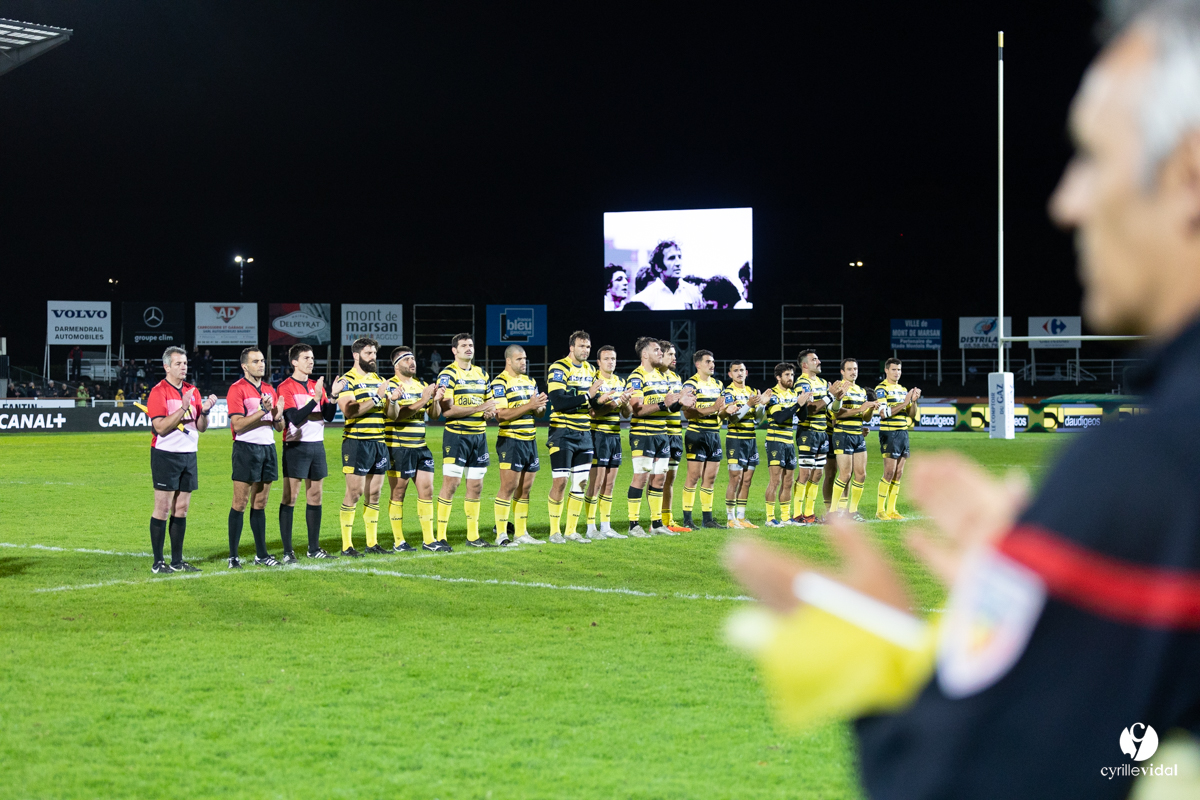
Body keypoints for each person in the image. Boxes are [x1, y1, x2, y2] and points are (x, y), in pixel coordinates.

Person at [728, 8, 1200, 796]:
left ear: (1187, 174)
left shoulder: (1157, 470)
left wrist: (877, 656)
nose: (1067, 203)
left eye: (1090, 157)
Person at [146, 346, 217, 574]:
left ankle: (177, 561)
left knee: (182, 508)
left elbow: (200, 428)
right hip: (165, 455)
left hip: (189, 455)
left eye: (185, 363)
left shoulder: (193, 391)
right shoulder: (159, 392)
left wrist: (204, 412)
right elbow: (160, 428)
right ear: (167, 366)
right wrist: (183, 408)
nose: (183, 367)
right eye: (178, 363)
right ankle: (158, 563)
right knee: (163, 508)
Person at [225, 347, 286, 567]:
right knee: (240, 503)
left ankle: (261, 555)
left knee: (260, 504)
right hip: (246, 449)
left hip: (268, 448)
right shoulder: (236, 389)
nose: (261, 364)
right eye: (255, 361)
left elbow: (279, 427)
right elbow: (238, 425)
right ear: (245, 366)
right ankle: (233, 556)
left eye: (262, 361)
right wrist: (263, 410)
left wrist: (278, 415)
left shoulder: (270, 388)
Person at [625, 337, 691, 536]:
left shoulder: (663, 378)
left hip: (662, 433)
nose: (660, 353)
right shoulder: (637, 377)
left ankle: (656, 525)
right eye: (656, 350)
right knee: (641, 478)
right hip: (643, 434)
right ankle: (633, 525)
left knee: (659, 479)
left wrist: (681, 402)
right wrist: (664, 404)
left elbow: (670, 408)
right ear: (644, 354)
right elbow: (637, 409)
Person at [278, 344, 339, 559]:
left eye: (312, 358)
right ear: (294, 362)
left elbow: (329, 416)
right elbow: (293, 418)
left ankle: (313, 549)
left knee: (315, 496)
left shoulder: (316, 385)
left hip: (317, 446)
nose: (311, 361)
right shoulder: (286, 387)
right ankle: (287, 551)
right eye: (306, 358)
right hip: (296, 446)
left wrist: (332, 398)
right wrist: (315, 398)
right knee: (290, 497)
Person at [435, 333, 495, 548]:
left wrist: (490, 412)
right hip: (457, 435)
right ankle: (440, 536)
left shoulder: (482, 373)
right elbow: (447, 411)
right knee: (451, 484)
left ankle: (473, 536)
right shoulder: (448, 374)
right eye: (463, 346)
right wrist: (479, 409)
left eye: (470, 345)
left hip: (479, 437)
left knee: (476, 487)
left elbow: (490, 402)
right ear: (454, 350)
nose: (468, 348)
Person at [383, 346, 444, 551]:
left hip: (421, 447)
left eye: (413, 358)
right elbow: (396, 416)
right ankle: (399, 541)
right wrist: (424, 399)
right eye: (407, 359)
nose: (412, 362)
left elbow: (434, 415)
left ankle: (429, 540)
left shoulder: (421, 385)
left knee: (427, 491)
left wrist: (435, 401)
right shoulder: (390, 386)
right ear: (396, 364)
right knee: (398, 492)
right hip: (400, 448)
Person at [335, 336, 390, 557]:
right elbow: (349, 410)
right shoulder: (347, 380)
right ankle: (347, 545)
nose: (373, 357)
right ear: (356, 355)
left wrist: (391, 400)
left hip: (379, 441)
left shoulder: (379, 379)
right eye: (369, 353)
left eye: (375, 353)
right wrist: (377, 399)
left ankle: (372, 542)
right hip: (356, 442)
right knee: (355, 493)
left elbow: (387, 411)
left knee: (374, 494)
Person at [489, 345, 549, 546]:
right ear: (509, 361)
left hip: (530, 439)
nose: (524, 362)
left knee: (525, 489)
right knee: (508, 487)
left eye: (525, 359)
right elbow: (501, 415)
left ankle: (521, 533)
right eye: (519, 359)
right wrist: (530, 406)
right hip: (511, 440)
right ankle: (501, 535)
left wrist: (540, 407)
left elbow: (538, 412)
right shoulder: (499, 382)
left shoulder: (530, 381)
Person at [545, 331, 600, 543]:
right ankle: (554, 532)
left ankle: (571, 530)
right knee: (560, 482)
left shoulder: (590, 369)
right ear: (571, 347)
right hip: (562, 432)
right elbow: (558, 401)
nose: (585, 350)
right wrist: (588, 397)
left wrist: (604, 399)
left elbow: (592, 402)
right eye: (581, 346)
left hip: (584, 432)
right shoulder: (559, 367)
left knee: (581, 482)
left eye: (588, 346)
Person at [791, 349, 846, 525]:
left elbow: (832, 409)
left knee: (817, 474)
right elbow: (810, 408)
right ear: (805, 365)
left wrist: (837, 398)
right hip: (808, 432)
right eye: (814, 359)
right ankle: (797, 514)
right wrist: (830, 395)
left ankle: (809, 514)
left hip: (822, 432)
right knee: (805, 473)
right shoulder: (802, 383)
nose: (819, 361)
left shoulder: (823, 383)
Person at [584, 345, 632, 540]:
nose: (611, 362)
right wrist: (616, 403)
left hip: (614, 435)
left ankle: (605, 526)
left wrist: (626, 402)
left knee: (609, 484)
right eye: (606, 359)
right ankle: (590, 527)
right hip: (598, 435)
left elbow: (627, 414)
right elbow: (593, 412)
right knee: (596, 483)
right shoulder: (594, 381)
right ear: (599, 362)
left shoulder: (620, 381)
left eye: (613, 358)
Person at [680, 350, 727, 529]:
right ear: (698, 364)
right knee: (694, 477)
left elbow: (720, 410)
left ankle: (707, 519)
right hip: (697, 433)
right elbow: (687, 412)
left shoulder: (718, 384)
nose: (712, 364)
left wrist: (725, 411)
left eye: (713, 361)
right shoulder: (690, 384)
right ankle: (688, 519)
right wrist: (712, 408)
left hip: (714, 434)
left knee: (710, 478)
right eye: (708, 361)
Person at [828, 358, 878, 520]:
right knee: (845, 474)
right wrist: (860, 408)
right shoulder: (839, 389)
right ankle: (833, 513)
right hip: (842, 434)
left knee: (861, 474)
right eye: (849, 369)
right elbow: (836, 412)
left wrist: (870, 408)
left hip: (858, 435)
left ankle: (852, 512)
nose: (853, 372)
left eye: (855, 369)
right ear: (842, 372)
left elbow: (866, 417)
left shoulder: (861, 391)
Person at [722, 360, 770, 528]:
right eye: (735, 371)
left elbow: (757, 419)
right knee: (735, 479)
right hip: (735, 439)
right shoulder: (728, 392)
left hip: (751, 439)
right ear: (730, 374)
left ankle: (741, 517)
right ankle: (730, 518)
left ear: (746, 372)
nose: (739, 373)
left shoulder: (751, 391)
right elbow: (733, 418)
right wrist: (749, 404)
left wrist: (761, 406)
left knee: (747, 480)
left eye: (742, 370)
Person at [762, 362, 811, 528]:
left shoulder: (792, 394)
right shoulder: (772, 394)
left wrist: (804, 403)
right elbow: (779, 418)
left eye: (792, 375)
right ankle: (770, 518)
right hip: (775, 441)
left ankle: (785, 518)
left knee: (788, 482)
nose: (791, 378)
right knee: (775, 481)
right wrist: (797, 404)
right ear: (778, 377)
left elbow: (803, 418)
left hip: (789, 442)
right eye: (787, 375)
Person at [874, 358, 921, 521]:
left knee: (899, 473)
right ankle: (880, 510)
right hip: (889, 433)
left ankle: (892, 510)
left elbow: (912, 414)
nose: (897, 373)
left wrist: (913, 402)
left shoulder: (903, 389)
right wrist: (905, 402)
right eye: (894, 369)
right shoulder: (881, 389)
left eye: (899, 370)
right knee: (889, 472)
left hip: (903, 432)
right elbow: (883, 413)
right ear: (886, 370)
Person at [658, 341, 688, 531]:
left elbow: (675, 406)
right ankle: (657, 520)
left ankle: (667, 520)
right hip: (660, 433)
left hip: (676, 433)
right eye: (670, 354)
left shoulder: (676, 378)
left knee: (670, 479)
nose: (674, 358)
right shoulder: (651, 377)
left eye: (674, 354)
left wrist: (685, 401)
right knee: (657, 479)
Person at [627, 241, 703, 310]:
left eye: (679, 257)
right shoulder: (644, 299)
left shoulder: (694, 293)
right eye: (671, 258)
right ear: (658, 267)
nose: (678, 263)